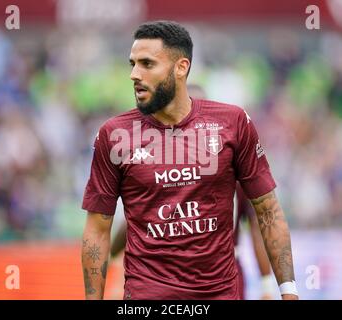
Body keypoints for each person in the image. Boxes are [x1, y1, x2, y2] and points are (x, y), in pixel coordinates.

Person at [81, 20, 298, 300]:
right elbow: (98, 228)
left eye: (147, 64)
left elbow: (267, 212)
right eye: (132, 64)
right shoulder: (114, 135)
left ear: (181, 67)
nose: (135, 74)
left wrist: (285, 291)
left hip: (219, 292)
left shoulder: (234, 124)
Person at [109, 84, 276, 300]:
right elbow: (136, 220)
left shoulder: (234, 165)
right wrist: (111, 256)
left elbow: (256, 223)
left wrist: (266, 284)